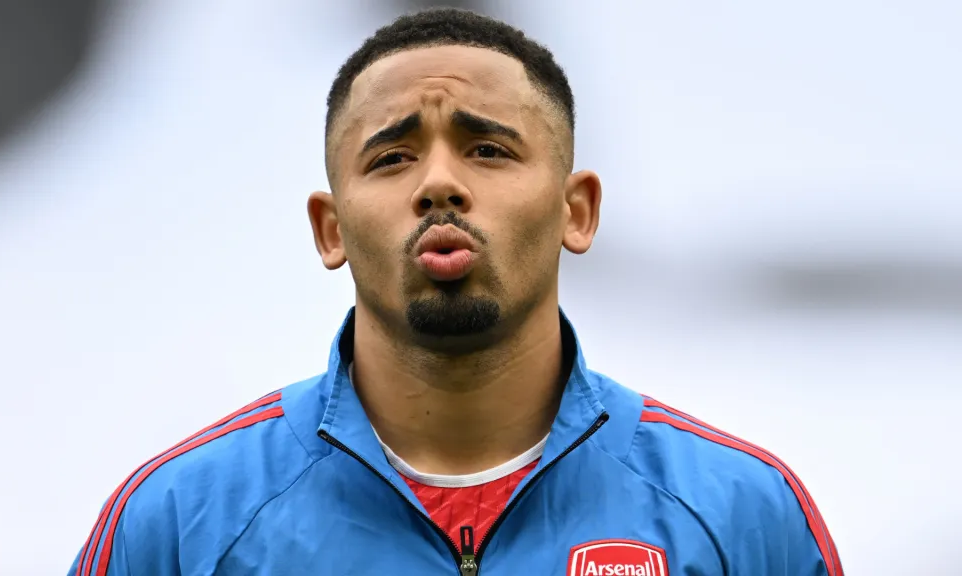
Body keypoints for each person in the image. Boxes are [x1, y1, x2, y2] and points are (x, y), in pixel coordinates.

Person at [68, 8, 843, 576]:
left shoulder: (741, 514)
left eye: (487, 148)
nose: (441, 183)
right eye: (393, 157)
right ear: (330, 229)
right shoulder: (180, 521)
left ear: (577, 211)